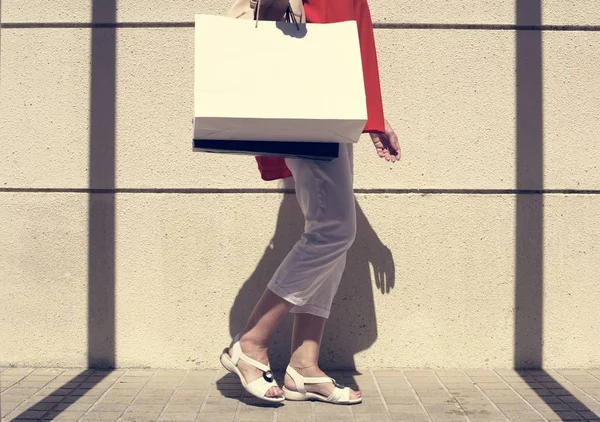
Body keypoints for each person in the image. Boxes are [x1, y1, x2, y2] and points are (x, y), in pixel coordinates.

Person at [220, 0, 401, 404]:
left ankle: (304, 366)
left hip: (330, 94)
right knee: (335, 231)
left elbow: (349, 25)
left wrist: (371, 114)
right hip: (305, 93)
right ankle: (250, 343)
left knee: (330, 231)